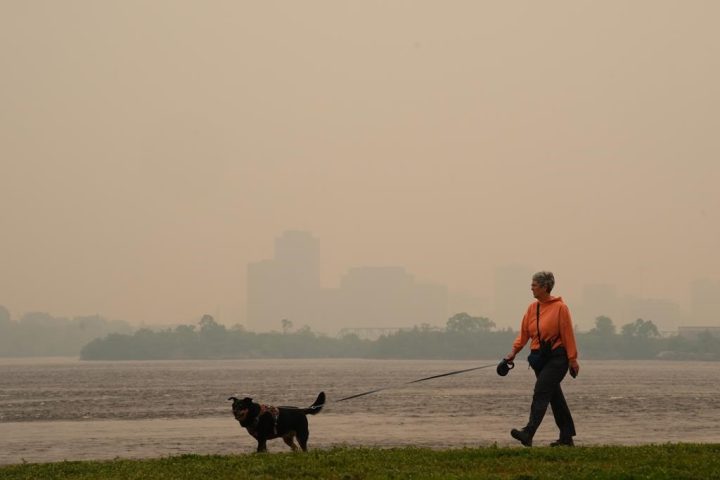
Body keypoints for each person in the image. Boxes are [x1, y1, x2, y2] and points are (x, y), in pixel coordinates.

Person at [504, 271, 579, 447]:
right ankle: (566, 438)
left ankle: (528, 433)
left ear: (545, 287)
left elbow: (567, 334)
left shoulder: (560, 308)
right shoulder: (532, 308)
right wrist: (513, 352)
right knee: (555, 397)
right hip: (539, 359)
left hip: (557, 357)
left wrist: (572, 359)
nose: (531, 287)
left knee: (541, 391)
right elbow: (524, 333)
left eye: (534, 285)